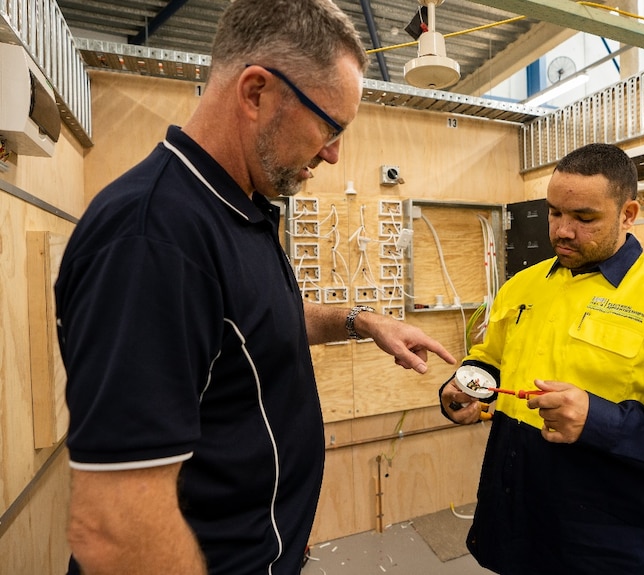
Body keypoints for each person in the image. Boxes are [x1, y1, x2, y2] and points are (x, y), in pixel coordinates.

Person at [55, 1, 455, 574]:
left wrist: (360, 321)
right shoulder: (153, 238)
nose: (334, 153)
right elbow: (117, 528)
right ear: (256, 93)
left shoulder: (235, 210)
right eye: (329, 126)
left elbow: (253, 326)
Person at [439, 143, 644, 574]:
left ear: (628, 214)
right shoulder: (524, 286)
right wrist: (465, 384)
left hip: (609, 543)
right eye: (555, 213)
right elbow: (490, 357)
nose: (562, 231)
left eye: (584, 218)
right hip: (515, 521)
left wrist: (598, 421)